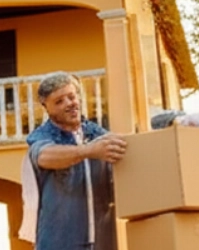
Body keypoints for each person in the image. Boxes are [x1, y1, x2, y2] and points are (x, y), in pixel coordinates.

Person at [25, 71, 127, 250]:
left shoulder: (97, 133)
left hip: (102, 242)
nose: (69, 104)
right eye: (59, 101)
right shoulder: (41, 136)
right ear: (46, 107)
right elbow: (43, 156)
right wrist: (88, 151)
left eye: (71, 97)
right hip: (58, 244)